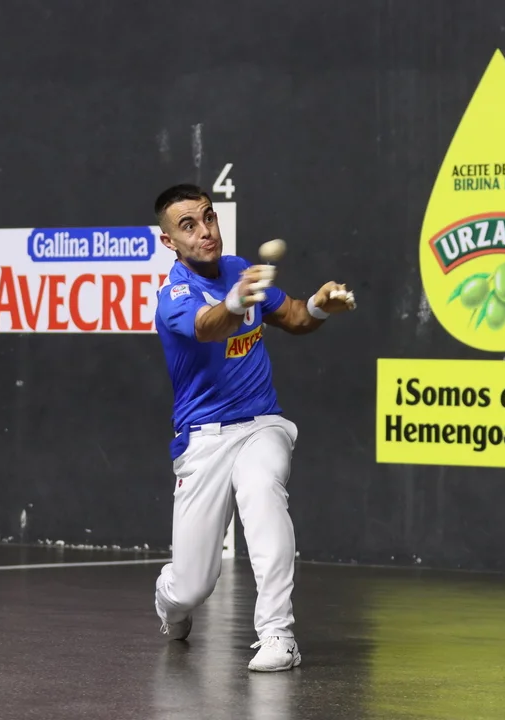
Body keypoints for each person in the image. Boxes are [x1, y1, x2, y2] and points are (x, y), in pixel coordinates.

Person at [150, 183, 356, 672]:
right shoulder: (174, 295)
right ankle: (170, 600)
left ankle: (278, 633)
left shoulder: (240, 269)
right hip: (203, 440)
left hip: (262, 423)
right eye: (188, 226)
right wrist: (236, 301)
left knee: (263, 490)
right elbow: (208, 326)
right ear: (169, 242)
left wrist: (321, 305)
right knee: (191, 587)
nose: (204, 231)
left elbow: (295, 317)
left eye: (208, 217)